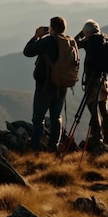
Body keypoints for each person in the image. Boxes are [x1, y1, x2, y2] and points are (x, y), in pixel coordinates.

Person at [23, 16, 70, 150]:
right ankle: (53, 146)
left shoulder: (48, 41)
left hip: (45, 86)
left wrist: (36, 36)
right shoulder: (67, 42)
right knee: (56, 117)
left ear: (52, 28)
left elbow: (27, 52)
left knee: (38, 118)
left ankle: (36, 147)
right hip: (61, 86)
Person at [75, 19, 108, 147]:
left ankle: (97, 137)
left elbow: (75, 44)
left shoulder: (89, 41)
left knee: (93, 108)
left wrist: (81, 34)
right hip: (105, 80)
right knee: (103, 109)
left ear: (87, 32)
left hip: (93, 80)